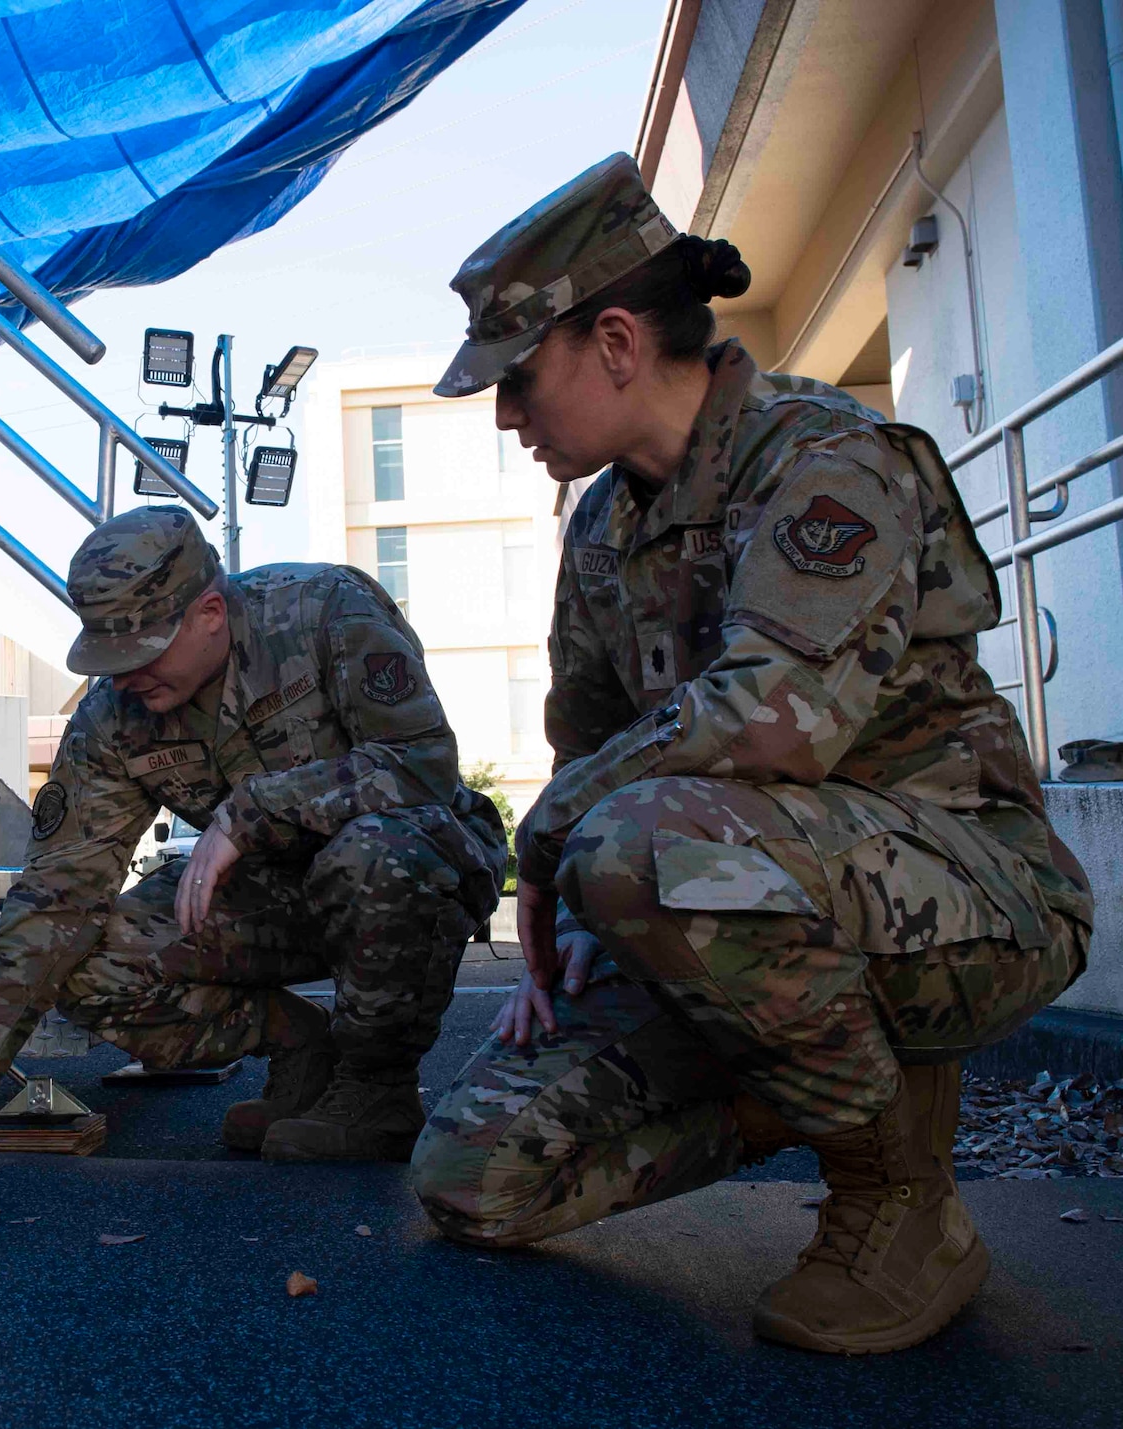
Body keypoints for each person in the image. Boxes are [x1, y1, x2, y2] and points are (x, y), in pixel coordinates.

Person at [407, 153, 1091, 1355]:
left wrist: (559, 839)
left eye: (517, 380)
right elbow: (596, 744)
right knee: (476, 1175)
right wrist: (572, 927)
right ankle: (795, 1079)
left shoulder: (827, 459)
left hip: (978, 898)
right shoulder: (605, 525)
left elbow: (770, 720)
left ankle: (895, 1196)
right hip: (735, 890)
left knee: (636, 840)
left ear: (614, 342)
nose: (505, 417)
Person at [0, 506, 506, 1164]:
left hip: (410, 865)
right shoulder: (113, 716)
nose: (123, 677)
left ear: (210, 613)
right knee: (87, 961)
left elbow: (420, 764)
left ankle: (376, 1091)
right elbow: (61, 888)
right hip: (272, 893)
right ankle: (301, 1045)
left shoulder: (323, 612)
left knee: (378, 853)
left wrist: (253, 810)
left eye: (140, 651)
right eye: (108, 656)